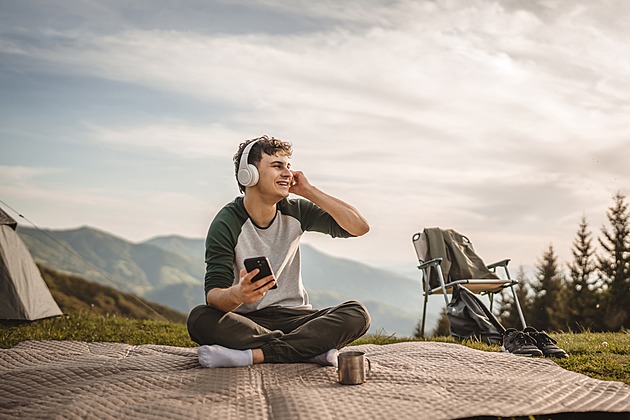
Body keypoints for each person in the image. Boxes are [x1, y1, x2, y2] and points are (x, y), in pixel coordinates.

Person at [187, 135, 371, 368]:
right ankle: (308, 350)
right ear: (249, 174)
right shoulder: (226, 223)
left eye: (288, 167)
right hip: (249, 321)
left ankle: (255, 355)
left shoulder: (297, 211)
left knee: (357, 313)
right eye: (277, 166)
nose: (288, 174)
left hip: (298, 318)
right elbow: (213, 295)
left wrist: (310, 191)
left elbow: (359, 227)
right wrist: (239, 295)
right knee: (200, 319)